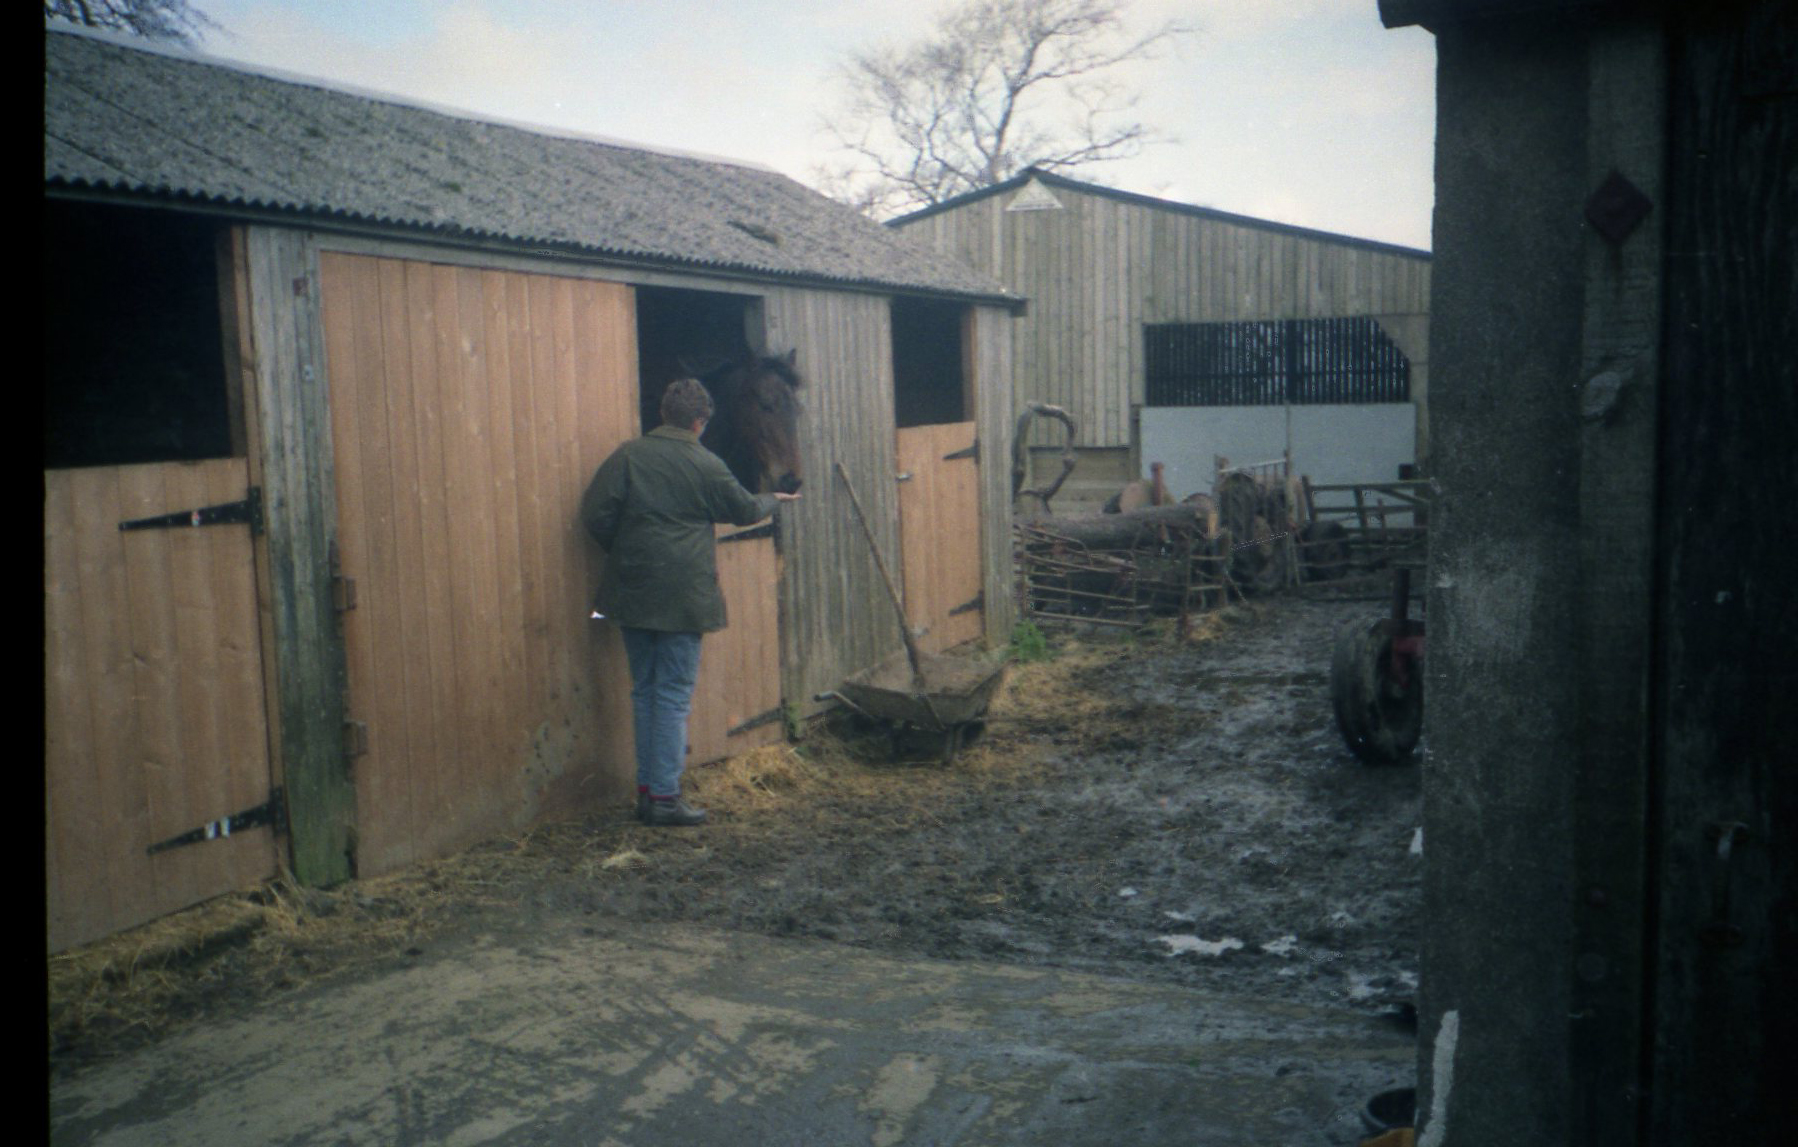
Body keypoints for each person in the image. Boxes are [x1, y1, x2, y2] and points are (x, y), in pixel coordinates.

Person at [580, 378, 800, 827]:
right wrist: (773, 501)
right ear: (700, 422)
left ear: (664, 414)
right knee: (673, 696)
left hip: (631, 591)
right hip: (683, 596)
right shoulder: (706, 463)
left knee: (645, 690)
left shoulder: (628, 456)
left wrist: (625, 551)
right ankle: (665, 797)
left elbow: (595, 513)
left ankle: (648, 792)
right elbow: (743, 510)